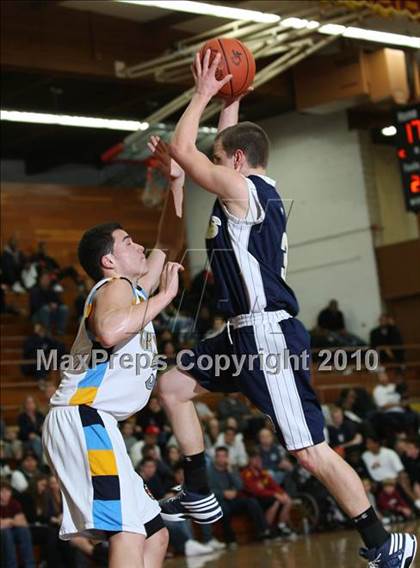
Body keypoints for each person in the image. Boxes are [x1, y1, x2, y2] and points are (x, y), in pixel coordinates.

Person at [154, 50, 417, 567]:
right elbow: (216, 147)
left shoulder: (244, 192)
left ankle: (383, 543)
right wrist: (232, 102)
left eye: (220, 154)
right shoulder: (253, 190)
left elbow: (186, 149)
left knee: (310, 451)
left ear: (234, 162)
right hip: (238, 336)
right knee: (173, 385)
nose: (211, 157)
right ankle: (199, 486)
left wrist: (205, 92)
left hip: (265, 338)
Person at [41, 147, 186, 568]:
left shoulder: (133, 287)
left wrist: (177, 184)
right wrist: (167, 297)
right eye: (127, 242)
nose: (138, 244)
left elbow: (168, 241)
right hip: (82, 415)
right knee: (127, 530)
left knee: (155, 535)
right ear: (109, 261)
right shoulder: (114, 288)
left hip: (97, 421)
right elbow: (108, 330)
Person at [207, 446, 270, 544]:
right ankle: (230, 539)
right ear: (215, 458)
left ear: (227, 457)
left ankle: (263, 531)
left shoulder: (231, 469)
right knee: (223, 509)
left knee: (251, 501)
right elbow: (208, 490)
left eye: (224, 456)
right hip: (219, 501)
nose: (221, 458)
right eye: (219, 456)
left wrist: (230, 471)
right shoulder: (209, 472)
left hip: (233, 499)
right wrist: (223, 493)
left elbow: (240, 486)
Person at [241, 451, 294, 537]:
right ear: (250, 460)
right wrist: (275, 494)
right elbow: (255, 491)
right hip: (254, 499)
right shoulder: (246, 474)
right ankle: (267, 529)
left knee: (288, 500)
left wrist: (282, 493)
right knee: (275, 501)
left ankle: (282, 525)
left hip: (266, 496)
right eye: (256, 459)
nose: (259, 461)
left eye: (259, 459)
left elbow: (273, 485)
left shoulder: (263, 472)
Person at [0, 479, 35, 568]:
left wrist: (8, 521)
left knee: (24, 530)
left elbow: (23, 523)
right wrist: (13, 521)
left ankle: (30, 565)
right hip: (4, 533)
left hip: (14, 530)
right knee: (6, 532)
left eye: (7, 491)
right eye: (2, 491)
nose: (5, 494)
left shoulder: (14, 503)